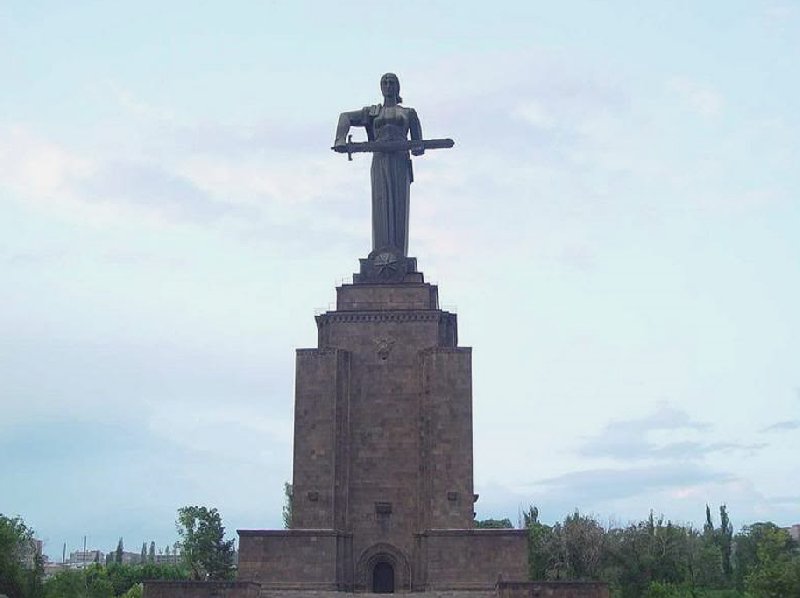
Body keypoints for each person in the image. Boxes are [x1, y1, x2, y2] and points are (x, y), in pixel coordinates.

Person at [333, 73, 424, 257]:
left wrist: (417, 146)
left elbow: (418, 145)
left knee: (399, 203)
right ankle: (381, 253)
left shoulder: (408, 113)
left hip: (399, 159)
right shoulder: (373, 112)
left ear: (398, 87)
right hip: (380, 158)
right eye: (385, 82)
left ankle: (398, 255)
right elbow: (345, 117)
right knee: (380, 201)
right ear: (381, 87)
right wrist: (340, 139)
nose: (388, 85)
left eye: (392, 82)